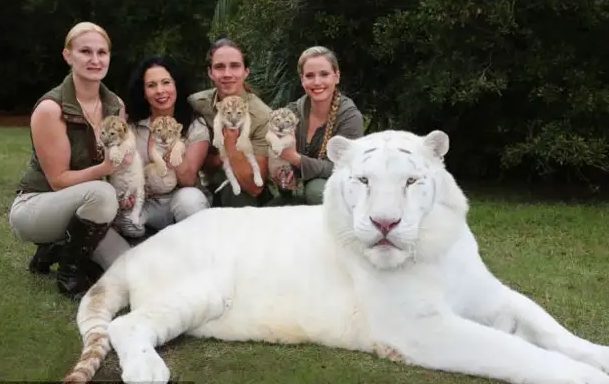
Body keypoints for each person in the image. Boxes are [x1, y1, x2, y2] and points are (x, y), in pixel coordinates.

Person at [8, 22, 130, 299]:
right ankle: (70, 275)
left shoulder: (116, 106)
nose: (95, 59)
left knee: (128, 267)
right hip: (38, 205)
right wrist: (104, 170)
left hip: (89, 207)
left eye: (102, 52)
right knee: (102, 193)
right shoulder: (51, 109)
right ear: (68, 55)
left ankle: (62, 247)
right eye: (85, 51)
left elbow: (118, 162)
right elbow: (59, 180)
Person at [114, 56, 210, 238]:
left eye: (166, 82)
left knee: (190, 200)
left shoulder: (194, 125)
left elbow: (188, 180)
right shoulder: (133, 126)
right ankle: (143, 246)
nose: (160, 91)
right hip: (146, 201)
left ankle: (195, 252)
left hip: (179, 197)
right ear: (143, 91)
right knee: (127, 222)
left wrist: (171, 146)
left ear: (176, 86)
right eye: (151, 85)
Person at [268, 46, 364, 205]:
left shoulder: (350, 117)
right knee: (272, 208)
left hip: (341, 191)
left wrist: (296, 159)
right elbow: (276, 152)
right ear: (302, 80)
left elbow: (346, 169)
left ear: (337, 76)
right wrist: (283, 171)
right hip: (298, 191)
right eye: (310, 76)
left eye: (324, 74)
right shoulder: (291, 113)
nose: (317, 82)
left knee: (316, 190)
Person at [187, 38, 272, 207]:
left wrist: (231, 142)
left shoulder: (262, 116)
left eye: (235, 66)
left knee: (237, 193)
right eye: (219, 67)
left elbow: (255, 187)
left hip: (246, 191)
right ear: (210, 72)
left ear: (246, 71)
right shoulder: (197, 103)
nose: (227, 74)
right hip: (204, 183)